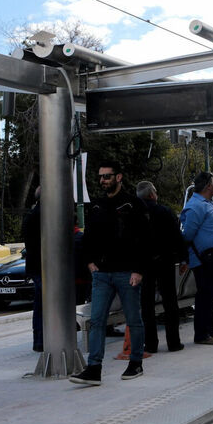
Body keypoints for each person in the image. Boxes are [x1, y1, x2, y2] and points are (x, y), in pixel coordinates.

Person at [70, 161, 150, 386]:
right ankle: (94, 368)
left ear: (119, 177)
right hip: (102, 274)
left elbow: (145, 240)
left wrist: (138, 270)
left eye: (107, 176)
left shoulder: (134, 205)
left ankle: (135, 363)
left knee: (133, 320)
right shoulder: (96, 206)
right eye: (101, 176)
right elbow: (88, 239)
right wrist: (90, 263)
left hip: (128, 273)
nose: (103, 180)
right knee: (96, 321)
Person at [181, 172, 213, 346]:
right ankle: (201, 334)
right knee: (205, 295)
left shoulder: (205, 203)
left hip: (212, 260)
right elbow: (187, 234)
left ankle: (209, 330)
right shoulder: (195, 206)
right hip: (203, 260)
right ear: (208, 185)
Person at [137, 181, 187, 353]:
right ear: (152, 194)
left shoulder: (134, 214)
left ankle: (150, 343)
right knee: (170, 301)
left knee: (147, 303)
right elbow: (177, 237)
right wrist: (183, 259)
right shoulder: (165, 211)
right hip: (165, 261)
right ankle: (173, 342)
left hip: (144, 263)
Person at [22, 186, 42, 352]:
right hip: (44, 266)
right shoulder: (44, 214)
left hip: (36, 266)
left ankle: (39, 339)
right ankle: (41, 339)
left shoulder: (31, 215)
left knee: (40, 303)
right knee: (44, 303)